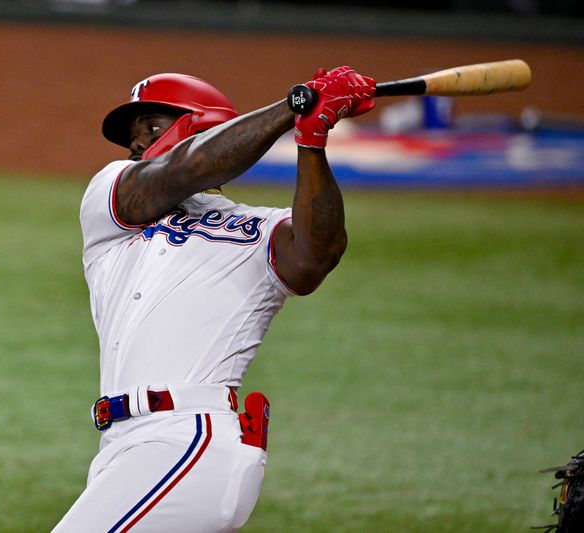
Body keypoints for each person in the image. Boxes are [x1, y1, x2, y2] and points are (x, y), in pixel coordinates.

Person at [52, 67, 375, 532]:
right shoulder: (112, 198)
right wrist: (294, 105)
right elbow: (188, 167)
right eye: (134, 134)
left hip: (190, 440)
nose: (138, 143)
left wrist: (311, 138)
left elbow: (315, 255)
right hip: (123, 449)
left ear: (206, 127)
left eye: (153, 126)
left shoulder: (261, 229)